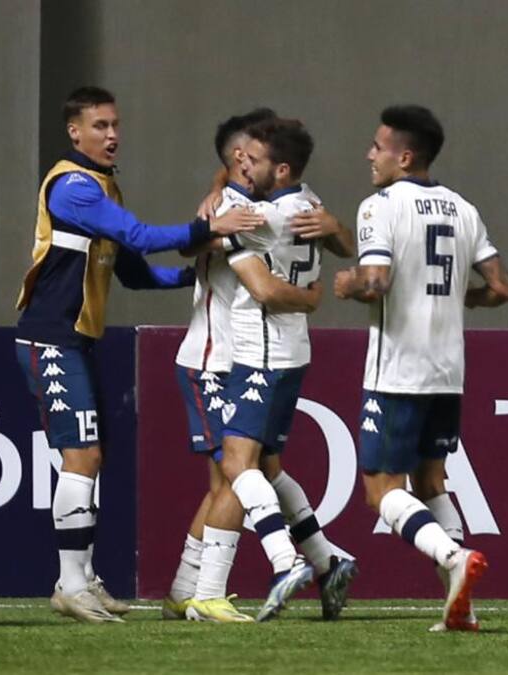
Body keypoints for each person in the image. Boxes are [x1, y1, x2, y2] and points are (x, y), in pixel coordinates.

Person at [14, 86, 261, 624]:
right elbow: (140, 236)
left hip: (75, 340)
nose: (112, 135)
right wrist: (208, 228)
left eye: (115, 125)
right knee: (82, 457)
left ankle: (80, 578)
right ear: (74, 132)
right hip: (50, 338)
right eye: (99, 126)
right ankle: (69, 584)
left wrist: (195, 276)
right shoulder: (72, 186)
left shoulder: (104, 185)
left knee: (90, 458)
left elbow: (132, 269)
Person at [164, 111, 355, 623]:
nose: (249, 162)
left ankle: (220, 584)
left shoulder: (259, 209)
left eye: (258, 156)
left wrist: (334, 229)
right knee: (245, 471)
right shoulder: (257, 205)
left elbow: (261, 275)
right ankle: (314, 562)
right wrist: (311, 298)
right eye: (244, 156)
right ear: (236, 157)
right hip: (216, 357)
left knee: (242, 471)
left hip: (245, 356)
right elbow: (192, 243)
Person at [334, 105, 508, 632]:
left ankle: (454, 557)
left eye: (378, 147)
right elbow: (503, 288)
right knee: (432, 482)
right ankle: (463, 609)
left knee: (381, 489)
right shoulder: (463, 209)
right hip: (447, 372)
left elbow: (375, 282)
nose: (370, 155)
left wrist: (347, 282)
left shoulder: (380, 206)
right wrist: (462, 298)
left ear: (405, 156)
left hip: (398, 370)